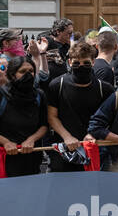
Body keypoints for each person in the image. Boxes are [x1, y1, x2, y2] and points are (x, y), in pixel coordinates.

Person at [0, 56, 48, 177]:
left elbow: (44, 125)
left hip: (32, 157)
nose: (28, 75)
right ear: (12, 74)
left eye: (31, 71)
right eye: (23, 72)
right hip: (4, 158)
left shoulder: (39, 95)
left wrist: (31, 139)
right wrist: (5, 142)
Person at [46, 41, 113, 172]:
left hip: (93, 146)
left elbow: (109, 117)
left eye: (86, 63)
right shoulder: (56, 85)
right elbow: (51, 116)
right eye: (77, 63)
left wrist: (93, 134)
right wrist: (67, 137)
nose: (81, 66)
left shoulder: (104, 88)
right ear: (70, 62)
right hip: (63, 147)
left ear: (93, 62)